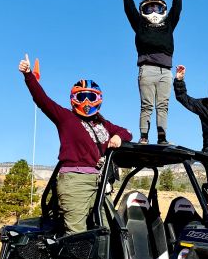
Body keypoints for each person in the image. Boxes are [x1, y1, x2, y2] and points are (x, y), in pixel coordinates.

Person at [19, 54, 132, 234]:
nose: (86, 102)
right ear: (74, 99)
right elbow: (42, 100)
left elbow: (127, 132)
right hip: (74, 181)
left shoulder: (103, 124)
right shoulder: (66, 118)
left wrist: (118, 137)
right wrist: (28, 75)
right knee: (77, 235)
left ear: (99, 99)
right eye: (82, 97)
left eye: (90, 96)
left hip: (100, 182)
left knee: (107, 230)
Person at [118, 0, 184, 144]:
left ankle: (162, 138)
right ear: (142, 11)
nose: (153, 12)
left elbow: (177, 9)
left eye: (157, 8)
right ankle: (144, 137)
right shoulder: (140, 25)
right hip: (146, 69)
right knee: (147, 105)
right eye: (149, 9)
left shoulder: (168, 24)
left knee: (163, 105)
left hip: (166, 72)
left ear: (163, 10)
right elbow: (129, 9)